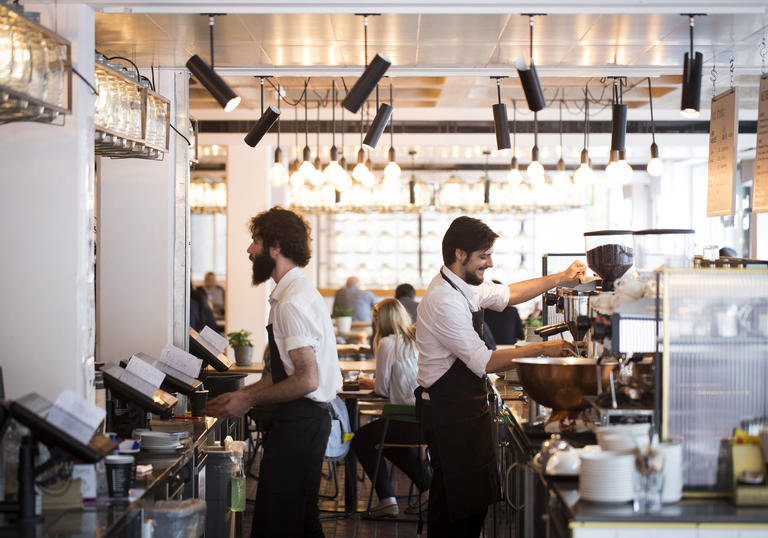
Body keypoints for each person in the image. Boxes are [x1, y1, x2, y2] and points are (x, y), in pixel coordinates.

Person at [415, 216, 585, 537]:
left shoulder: (464, 285)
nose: (490, 263)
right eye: (484, 256)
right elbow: (484, 361)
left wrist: (562, 277)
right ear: (459, 254)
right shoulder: (444, 300)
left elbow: (510, 294)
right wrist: (544, 350)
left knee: (468, 505)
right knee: (455, 510)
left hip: (463, 409)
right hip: (448, 412)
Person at [204, 207, 342, 538]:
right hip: (302, 421)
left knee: (278, 522)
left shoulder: (292, 302)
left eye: (255, 240)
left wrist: (248, 399)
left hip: (301, 423)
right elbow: (286, 372)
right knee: (301, 520)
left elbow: (307, 380)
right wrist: (243, 396)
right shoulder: (292, 294)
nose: (249, 250)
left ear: (275, 246)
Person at [353, 299, 432, 518]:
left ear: (380, 321)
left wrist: (370, 382)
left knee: (361, 440)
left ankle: (387, 499)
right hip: (427, 419)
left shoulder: (387, 343)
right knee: (388, 443)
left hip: (404, 418)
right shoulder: (416, 339)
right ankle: (427, 489)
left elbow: (381, 389)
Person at [483, 280, 525, 345]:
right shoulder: (512, 310)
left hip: (488, 349)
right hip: (509, 349)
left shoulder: (481, 311)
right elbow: (521, 335)